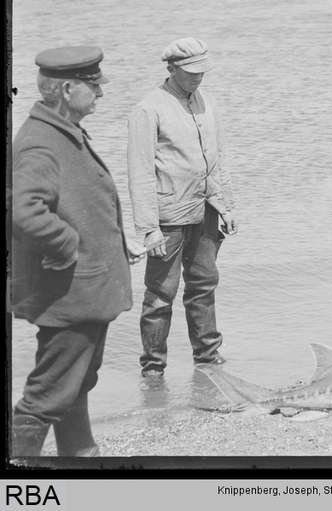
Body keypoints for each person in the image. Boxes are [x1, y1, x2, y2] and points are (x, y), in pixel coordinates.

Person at [10, 46, 140, 457]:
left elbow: (81, 205)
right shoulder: (41, 143)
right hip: (70, 293)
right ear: (67, 90)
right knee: (45, 397)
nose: (100, 93)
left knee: (75, 382)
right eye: (93, 85)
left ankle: (82, 455)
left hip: (85, 290)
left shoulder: (62, 131)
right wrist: (66, 246)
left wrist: (116, 242)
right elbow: (24, 210)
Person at [127, 37, 237, 379]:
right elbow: (140, 173)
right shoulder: (148, 109)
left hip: (206, 210)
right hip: (168, 217)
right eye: (191, 72)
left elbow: (217, 159)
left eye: (202, 71)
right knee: (160, 294)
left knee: (204, 284)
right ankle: (153, 367)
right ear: (171, 68)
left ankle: (207, 357)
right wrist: (148, 229)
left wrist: (227, 205)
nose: (198, 78)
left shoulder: (207, 102)